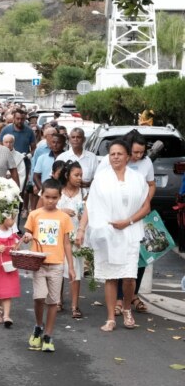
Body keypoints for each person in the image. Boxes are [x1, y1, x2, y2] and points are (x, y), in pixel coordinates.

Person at [78, 140, 149, 332]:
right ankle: (110, 318)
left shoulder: (137, 178)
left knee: (129, 276)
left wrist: (128, 221)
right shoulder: (101, 179)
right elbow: (90, 206)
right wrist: (82, 229)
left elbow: (146, 207)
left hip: (130, 232)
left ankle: (126, 309)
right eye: (112, 154)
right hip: (107, 233)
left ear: (128, 157)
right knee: (111, 277)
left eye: (119, 153)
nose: (116, 157)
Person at [23, 179, 76, 352]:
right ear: (42, 195)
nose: (50, 201)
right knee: (39, 297)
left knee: (53, 301)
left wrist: (71, 267)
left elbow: (66, 243)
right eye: (47, 197)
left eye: (54, 197)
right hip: (38, 263)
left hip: (57, 264)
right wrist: (27, 237)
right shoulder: (34, 215)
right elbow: (28, 233)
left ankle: (48, 334)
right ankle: (39, 325)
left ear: (60, 197)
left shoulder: (64, 217)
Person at [58, 161, 85, 318]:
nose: (79, 178)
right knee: (58, 268)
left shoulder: (84, 192)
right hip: (58, 236)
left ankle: (75, 305)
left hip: (76, 235)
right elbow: (44, 209)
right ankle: (58, 300)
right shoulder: (58, 191)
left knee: (75, 269)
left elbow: (89, 213)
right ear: (67, 175)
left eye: (81, 175)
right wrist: (61, 211)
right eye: (76, 175)